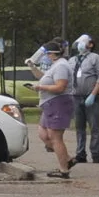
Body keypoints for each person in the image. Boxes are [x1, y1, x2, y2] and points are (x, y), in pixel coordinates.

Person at [35, 40, 75, 179]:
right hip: (49, 104)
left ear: (52, 54)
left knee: (55, 137)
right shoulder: (55, 65)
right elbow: (42, 77)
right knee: (43, 134)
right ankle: (68, 159)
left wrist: (41, 88)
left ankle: (64, 170)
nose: (44, 56)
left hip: (58, 103)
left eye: (46, 53)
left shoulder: (61, 66)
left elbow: (60, 87)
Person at [70, 34, 99, 164]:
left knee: (94, 127)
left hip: (91, 97)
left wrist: (93, 94)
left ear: (90, 44)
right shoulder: (73, 60)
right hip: (76, 97)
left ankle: (96, 154)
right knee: (79, 127)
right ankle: (80, 153)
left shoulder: (95, 58)